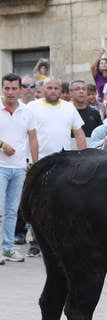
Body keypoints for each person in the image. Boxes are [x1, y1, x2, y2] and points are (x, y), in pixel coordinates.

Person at [0, 73, 40, 263]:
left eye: (14, 88)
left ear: (20, 89)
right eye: (7, 88)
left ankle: (7, 248)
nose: (10, 92)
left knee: (12, 211)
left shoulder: (27, 111)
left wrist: (34, 162)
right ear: (2, 88)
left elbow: (32, 137)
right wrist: (2, 145)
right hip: (0, 166)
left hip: (18, 168)